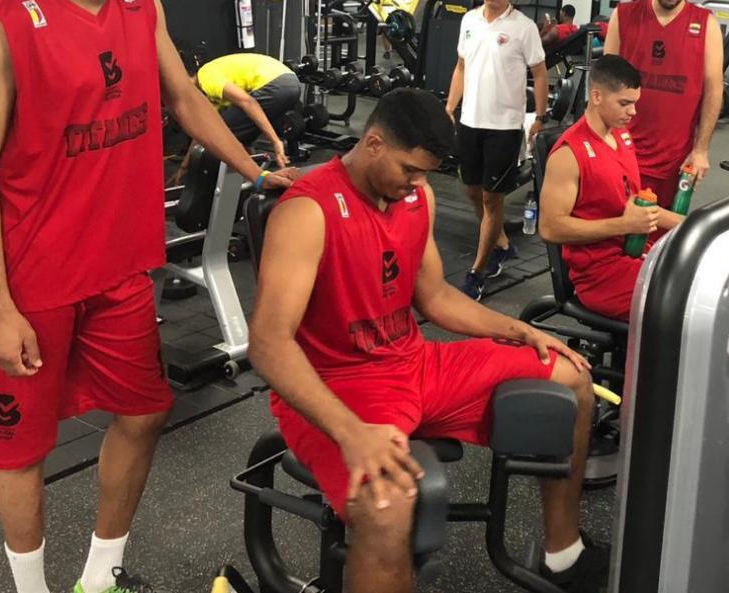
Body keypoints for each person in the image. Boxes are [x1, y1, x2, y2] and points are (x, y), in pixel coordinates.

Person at [0, 0, 297, 593]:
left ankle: (100, 575)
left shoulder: (141, 0)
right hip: (29, 275)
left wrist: (258, 170)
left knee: (144, 409)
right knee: (21, 447)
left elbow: (188, 98)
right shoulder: (4, 27)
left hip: (117, 265)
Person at [248, 88, 607, 593]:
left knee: (572, 377)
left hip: (414, 364)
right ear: (373, 144)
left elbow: (434, 296)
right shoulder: (308, 212)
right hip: (341, 386)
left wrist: (520, 330)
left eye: (424, 175)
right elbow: (267, 344)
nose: (416, 184)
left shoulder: (418, 196)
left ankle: (562, 554)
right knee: (388, 504)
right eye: (409, 170)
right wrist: (352, 433)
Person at [538, 54, 684, 320]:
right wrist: (626, 226)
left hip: (633, 255)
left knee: (698, 277)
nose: (633, 112)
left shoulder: (622, 136)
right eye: (624, 103)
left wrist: (695, 226)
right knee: (685, 305)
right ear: (596, 97)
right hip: (599, 277)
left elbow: (639, 211)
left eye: (635, 103)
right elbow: (549, 228)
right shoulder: (568, 154)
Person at [445, 0, 549, 300]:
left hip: (504, 127)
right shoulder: (469, 20)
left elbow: (540, 73)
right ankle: (502, 244)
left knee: (492, 198)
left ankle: (479, 269)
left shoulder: (524, 27)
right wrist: (449, 107)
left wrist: (540, 116)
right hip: (470, 121)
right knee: (472, 189)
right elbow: (461, 66)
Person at [603, 0, 724, 208]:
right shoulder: (624, 16)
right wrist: (599, 137)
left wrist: (701, 150)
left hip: (675, 158)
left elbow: (714, 91)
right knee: (614, 229)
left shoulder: (706, 24)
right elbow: (605, 82)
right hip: (622, 148)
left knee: (663, 238)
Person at [195, 52, 301, 168]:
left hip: (275, 84)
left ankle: (214, 182)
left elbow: (248, 102)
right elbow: (202, 131)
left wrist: (275, 141)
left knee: (219, 134)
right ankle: (257, 177)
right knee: (242, 135)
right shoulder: (210, 95)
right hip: (292, 81)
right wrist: (184, 167)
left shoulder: (206, 79)